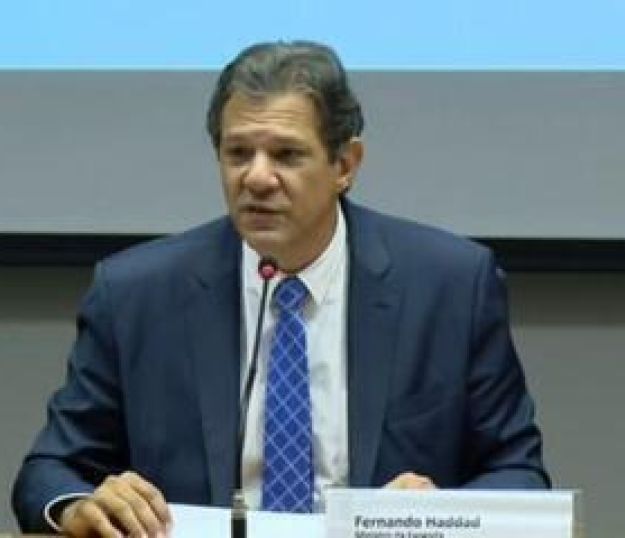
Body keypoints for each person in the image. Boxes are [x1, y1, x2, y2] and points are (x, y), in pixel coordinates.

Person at [12, 40, 549, 537]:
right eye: (238, 153)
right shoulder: (136, 294)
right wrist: (80, 505)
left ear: (345, 165)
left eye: (286, 155)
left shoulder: (450, 286)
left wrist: (442, 512)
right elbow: (50, 471)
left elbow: (519, 474)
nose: (257, 178)